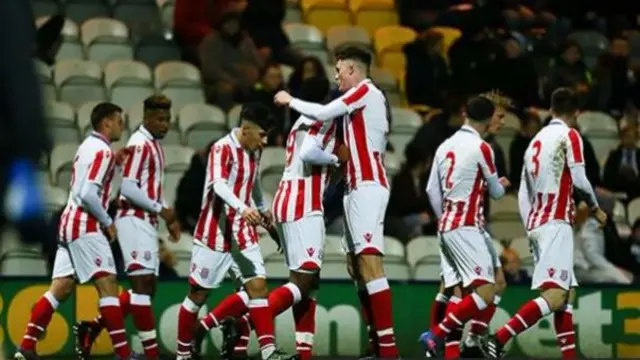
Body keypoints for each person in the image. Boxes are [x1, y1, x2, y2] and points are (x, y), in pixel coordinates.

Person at [194, 76, 348, 360]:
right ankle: (239, 322)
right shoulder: (325, 119)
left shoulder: (301, 122)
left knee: (308, 284)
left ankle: (303, 352)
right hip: (305, 205)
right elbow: (310, 152)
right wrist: (339, 160)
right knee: (302, 282)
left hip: (287, 203)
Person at [274, 45, 399, 358]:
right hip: (356, 187)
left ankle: (389, 349)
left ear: (354, 71)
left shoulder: (365, 91)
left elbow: (322, 112)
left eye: (340, 70)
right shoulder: (362, 103)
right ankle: (376, 344)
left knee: (371, 265)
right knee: (358, 268)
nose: (336, 77)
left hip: (368, 185)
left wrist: (290, 100)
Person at [480, 88, 608, 359]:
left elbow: (524, 188)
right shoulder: (569, 135)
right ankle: (499, 337)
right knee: (555, 296)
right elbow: (580, 178)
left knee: (566, 296)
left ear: (550, 110)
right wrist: (595, 208)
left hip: (539, 222)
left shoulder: (535, 140)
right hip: (555, 222)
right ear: (576, 114)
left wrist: (531, 225)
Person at [14, 103, 142, 360]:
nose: (122, 125)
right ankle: (124, 354)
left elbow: (85, 182)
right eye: (118, 120)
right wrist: (107, 220)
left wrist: (115, 163)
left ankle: (27, 345)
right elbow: (87, 193)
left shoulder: (87, 146)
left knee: (60, 287)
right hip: (87, 225)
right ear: (106, 122)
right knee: (108, 286)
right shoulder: (102, 151)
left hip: (68, 222)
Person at [175, 103, 294, 360]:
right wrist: (242, 208)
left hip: (242, 232)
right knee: (197, 296)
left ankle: (268, 352)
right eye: (262, 135)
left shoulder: (253, 150)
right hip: (214, 233)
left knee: (258, 287)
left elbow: (253, 181)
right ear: (247, 129)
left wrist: (262, 210)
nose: (264, 142)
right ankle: (183, 354)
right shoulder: (221, 148)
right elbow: (218, 184)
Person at [73, 95, 182, 360]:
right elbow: (130, 188)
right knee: (143, 284)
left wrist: (168, 215)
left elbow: (151, 187)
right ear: (146, 118)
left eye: (167, 119)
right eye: (159, 119)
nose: (164, 124)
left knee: (148, 288)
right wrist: (162, 210)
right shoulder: (138, 143)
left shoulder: (154, 145)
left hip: (146, 220)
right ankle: (150, 354)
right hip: (131, 217)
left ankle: (95, 326)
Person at [419, 96, 510, 357]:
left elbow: (431, 190)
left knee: (486, 283)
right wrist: (500, 185)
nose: (500, 122)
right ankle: (437, 335)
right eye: (498, 117)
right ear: (489, 116)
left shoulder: (444, 146)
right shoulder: (482, 148)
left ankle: (468, 344)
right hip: (466, 226)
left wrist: (445, 218)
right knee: (483, 290)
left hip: (451, 224)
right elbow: (495, 192)